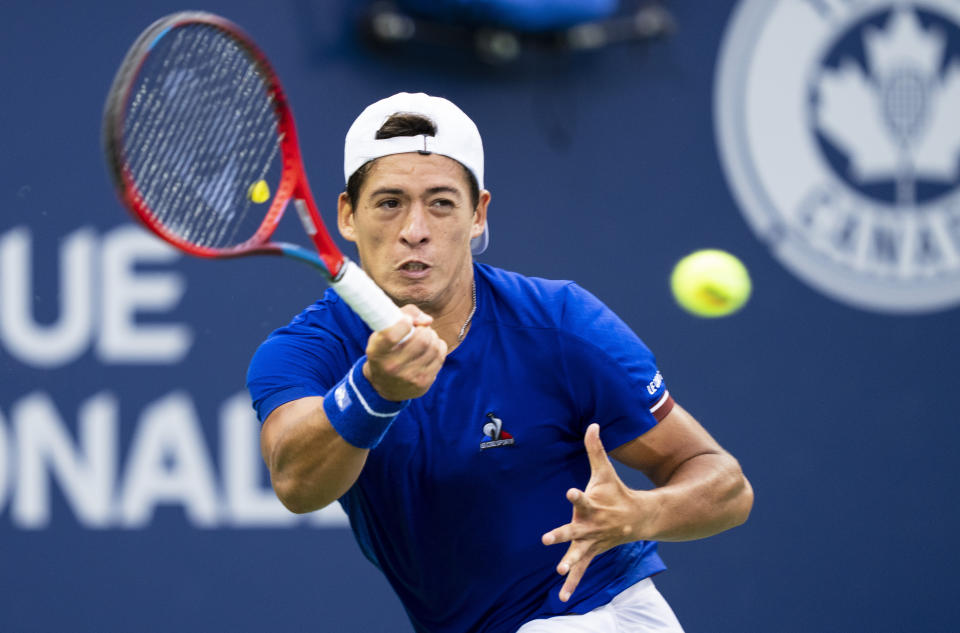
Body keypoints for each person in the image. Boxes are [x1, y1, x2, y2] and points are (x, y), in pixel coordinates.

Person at [246, 92, 753, 633]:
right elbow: (298, 485)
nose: (414, 229)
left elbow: (726, 485)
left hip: (600, 615)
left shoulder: (561, 325)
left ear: (478, 214)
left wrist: (640, 514)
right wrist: (374, 390)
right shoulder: (301, 351)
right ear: (348, 214)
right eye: (390, 202)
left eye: (440, 203)